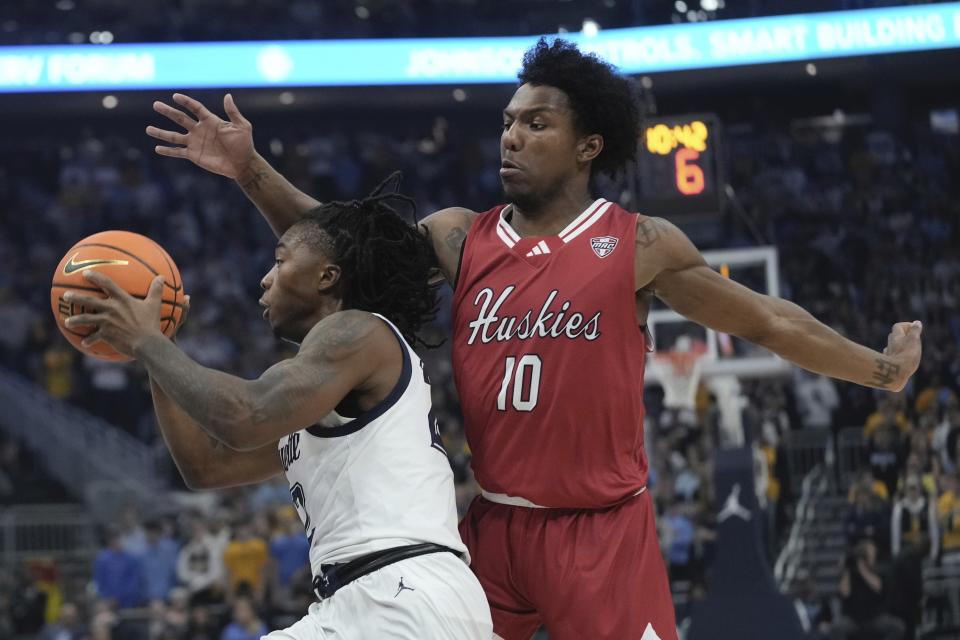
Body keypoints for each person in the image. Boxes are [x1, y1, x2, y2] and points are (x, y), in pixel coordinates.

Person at [146, 37, 923, 640]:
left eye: (536, 123)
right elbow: (343, 258)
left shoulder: (638, 243)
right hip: (489, 528)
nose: (511, 137)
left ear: (589, 145)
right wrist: (250, 172)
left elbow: (771, 322)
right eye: (509, 122)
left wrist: (881, 370)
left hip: (602, 531)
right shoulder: (462, 237)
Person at [62, 179, 492, 638]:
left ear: (327, 276)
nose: (266, 278)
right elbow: (207, 466)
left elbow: (244, 417)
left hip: (400, 594)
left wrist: (147, 341)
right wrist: (157, 348)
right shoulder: (322, 389)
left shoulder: (358, 331)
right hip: (367, 599)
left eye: (281, 260)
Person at [833, 539, 905, 640]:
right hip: (853, 618)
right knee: (837, 628)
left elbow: (879, 587)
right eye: (870, 553)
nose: (873, 555)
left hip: (875, 617)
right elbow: (845, 593)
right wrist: (846, 570)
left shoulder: (879, 570)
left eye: (873, 553)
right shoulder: (850, 572)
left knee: (898, 627)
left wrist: (862, 569)